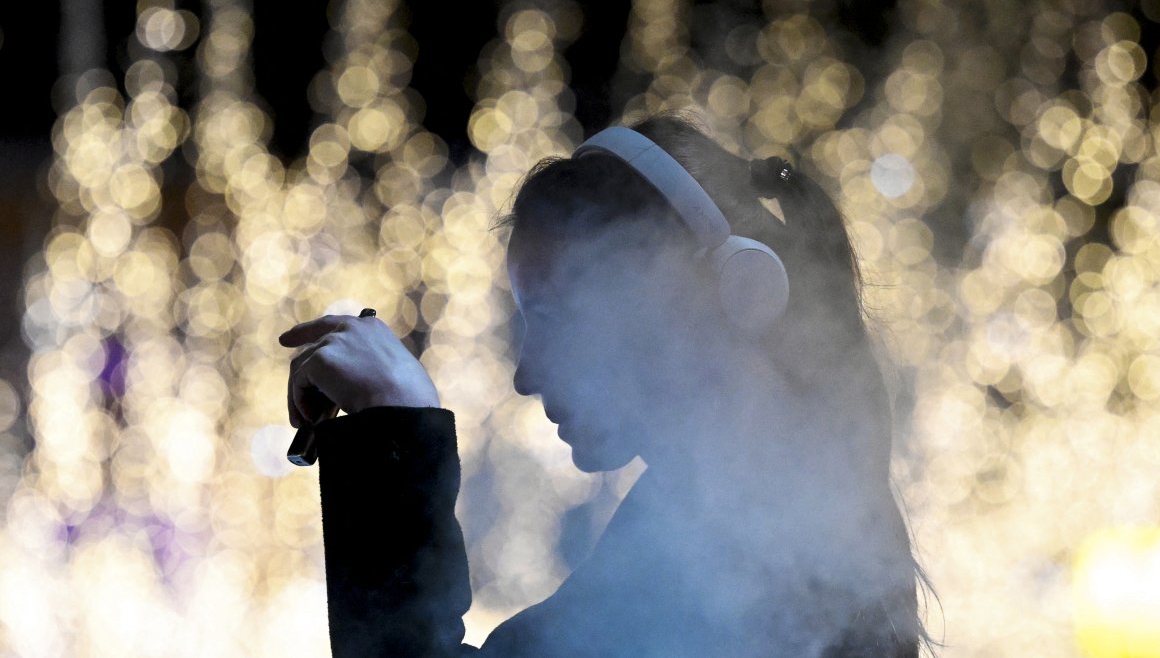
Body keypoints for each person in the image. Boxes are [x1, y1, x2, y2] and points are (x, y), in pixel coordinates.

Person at [279, 113, 930, 656]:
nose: (526, 373)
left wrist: (397, 430)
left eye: (559, 316)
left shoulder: (763, 549)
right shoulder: (737, 514)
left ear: (700, 295)